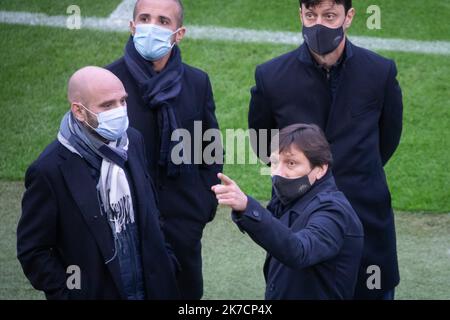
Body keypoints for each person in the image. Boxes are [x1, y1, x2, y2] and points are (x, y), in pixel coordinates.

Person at [248, 0, 403, 299]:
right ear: (301, 15)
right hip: (298, 218)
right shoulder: (271, 76)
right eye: (310, 15)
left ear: (349, 17)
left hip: (366, 214)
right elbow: (264, 143)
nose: (318, 24)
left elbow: (388, 138)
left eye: (329, 16)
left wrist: (355, 170)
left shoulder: (379, 72)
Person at [17, 66, 179, 300]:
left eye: (123, 101)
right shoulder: (49, 171)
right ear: (79, 112)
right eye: (107, 105)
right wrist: (70, 294)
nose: (120, 111)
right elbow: (33, 251)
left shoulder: (132, 141)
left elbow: (150, 209)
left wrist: (167, 260)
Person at [106, 0, 222, 299]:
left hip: (182, 221)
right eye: (144, 18)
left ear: (178, 33)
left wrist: (202, 205)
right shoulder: (108, 83)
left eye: (163, 21)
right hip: (127, 221)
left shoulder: (197, 82)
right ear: (132, 27)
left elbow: (209, 148)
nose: (152, 27)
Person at [212, 124, 364, 299]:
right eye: (275, 163)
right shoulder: (290, 198)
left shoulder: (334, 211)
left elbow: (299, 251)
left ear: (321, 169)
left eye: (291, 163)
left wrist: (248, 207)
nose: (278, 173)